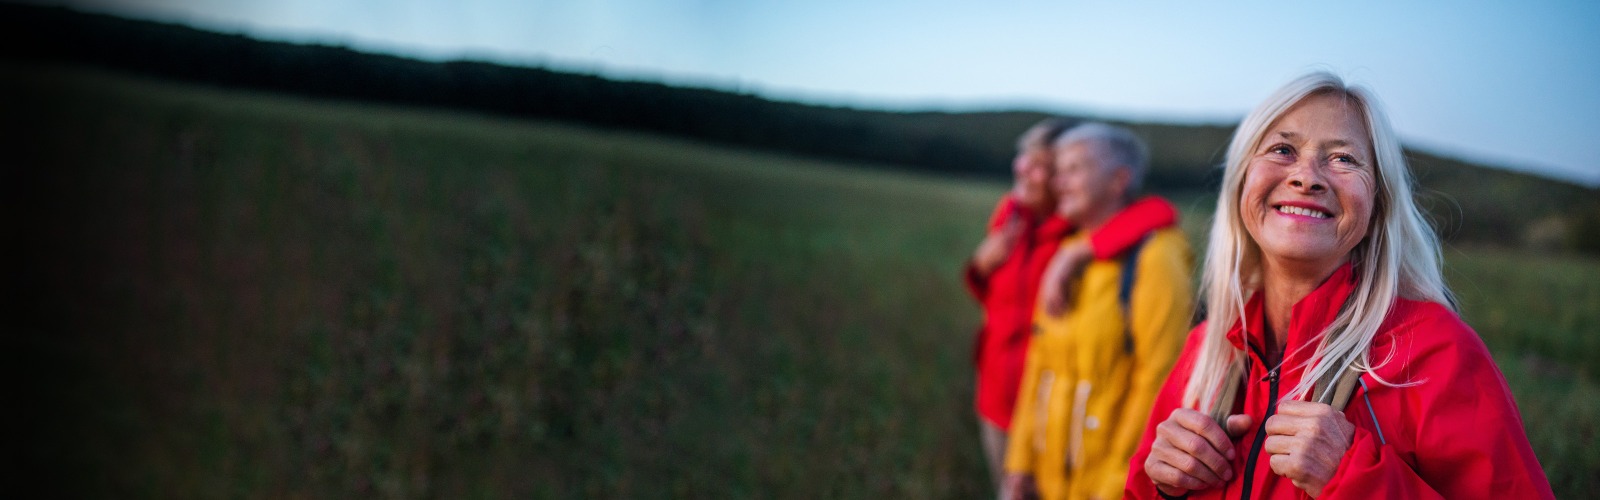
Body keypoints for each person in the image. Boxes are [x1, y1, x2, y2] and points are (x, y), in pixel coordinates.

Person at [1125, 72, 1554, 499]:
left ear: (1377, 206)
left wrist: (1355, 478)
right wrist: (1160, 487)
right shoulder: (1205, 349)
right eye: (1282, 150)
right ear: (1241, 183)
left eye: (1344, 159)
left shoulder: (1435, 351)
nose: (1307, 177)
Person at [965, 118, 1177, 498]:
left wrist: (1083, 249)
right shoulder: (1016, 217)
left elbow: (1158, 212)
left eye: (1068, 169)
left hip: (1090, 461)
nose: (1025, 171)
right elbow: (1019, 331)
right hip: (1009, 412)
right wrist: (980, 266)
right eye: (1057, 169)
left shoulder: (1105, 243)